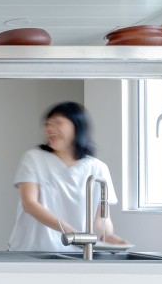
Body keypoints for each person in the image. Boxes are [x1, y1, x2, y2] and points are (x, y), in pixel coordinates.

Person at [7, 101, 128, 252]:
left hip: (74, 254)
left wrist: (108, 236)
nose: (50, 129)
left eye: (58, 122)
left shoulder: (98, 168)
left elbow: (101, 218)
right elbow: (29, 204)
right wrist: (70, 231)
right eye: (47, 124)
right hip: (30, 251)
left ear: (77, 127)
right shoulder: (34, 158)